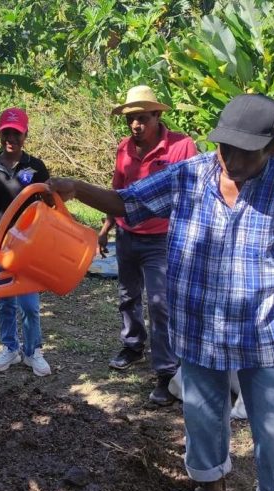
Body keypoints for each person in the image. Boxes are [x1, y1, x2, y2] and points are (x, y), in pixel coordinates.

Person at [49, 94, 274, 491]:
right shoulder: (193, 173)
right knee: (202, 417)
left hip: (261, 333)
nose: (233, 160)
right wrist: (76, 188)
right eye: (227, 147)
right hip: (198, 326)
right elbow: (129, 203)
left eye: (248, 152)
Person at [101, 85, 197, 405]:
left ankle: (167, 372)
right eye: (130, 119)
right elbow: (117, 193)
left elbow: (196, 192)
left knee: (160, 303)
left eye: (142, 118)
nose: (135, 125)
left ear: (157, 115)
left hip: (163, 238)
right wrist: (105, 229)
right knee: (128, 295)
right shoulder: (124, 149)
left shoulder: (182, 147)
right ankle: (133, 345)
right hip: (127, 234)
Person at [0, 107, 51, 377]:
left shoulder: (36, 167)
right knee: (4, 298)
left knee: (29, 303)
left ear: (25, 134)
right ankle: (10, 347)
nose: (11, 138)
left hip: (27, 245)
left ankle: (33, 351)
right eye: (6, 132)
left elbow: (49, 204)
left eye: (16, 133)